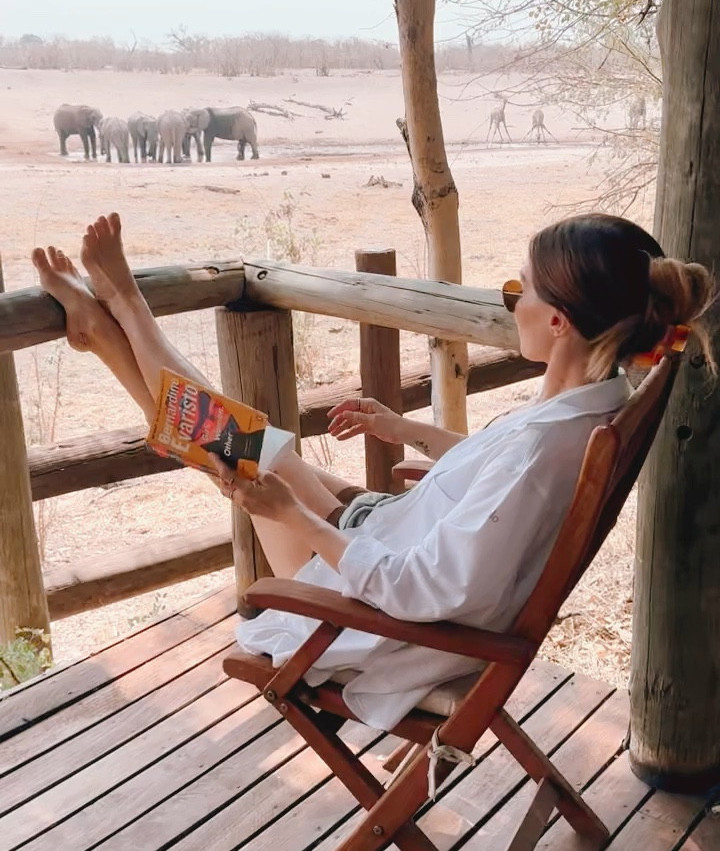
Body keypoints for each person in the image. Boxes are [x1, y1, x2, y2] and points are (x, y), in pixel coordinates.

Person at [32, 212, 713, 730]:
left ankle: (117, 313)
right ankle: (113, 317)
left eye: (519, 291)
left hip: (375, 618)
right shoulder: (586, 410)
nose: (512, 303)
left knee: (229, 448)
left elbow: (431, 586)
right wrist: (406, 428)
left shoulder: (551, 445)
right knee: (247, 443)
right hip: (387, 539)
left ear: (559, 322)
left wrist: (289, 515)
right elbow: (498, 481)